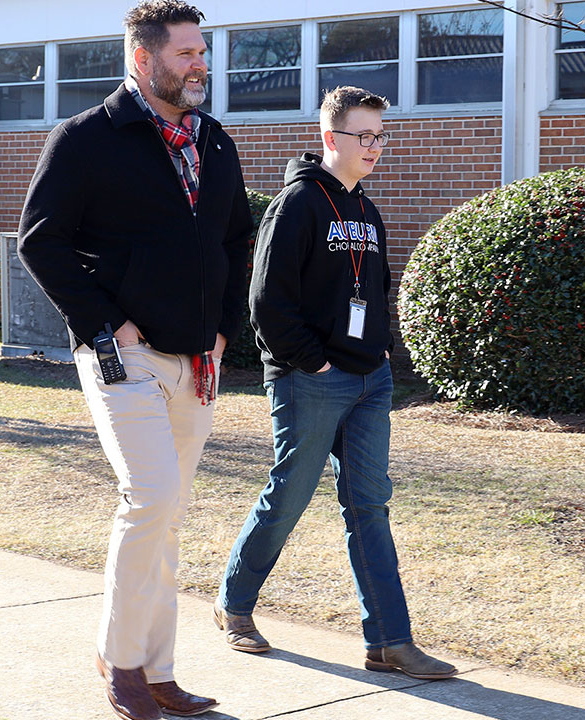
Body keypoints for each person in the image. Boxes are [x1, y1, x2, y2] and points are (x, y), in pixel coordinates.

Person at [17, 2, 252, 718]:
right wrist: (103, 324)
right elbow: (40, 241)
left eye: (202, 52)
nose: (200, 65)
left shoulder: (213, 141)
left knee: (170, 515)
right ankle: (120, 664)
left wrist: (222, 330)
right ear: (143, 59)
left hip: (198, 360)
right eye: (185, 54)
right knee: (149, 497)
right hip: (126, 357)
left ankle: (157, 669)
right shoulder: (86, 138)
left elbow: (236, 240)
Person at [213, 86, 456, 680]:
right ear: (331, 137)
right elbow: (267, 301)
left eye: (380, 136)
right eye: (363, 136)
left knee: (369, 505)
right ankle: (234, 605)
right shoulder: (296, 205)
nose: (374, 147)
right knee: (290, 497)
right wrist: (314, 362)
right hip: (312, 380)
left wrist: (380, 357)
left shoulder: (365, 207)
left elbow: (372, 288)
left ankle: (390, 642)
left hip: (370, 380)